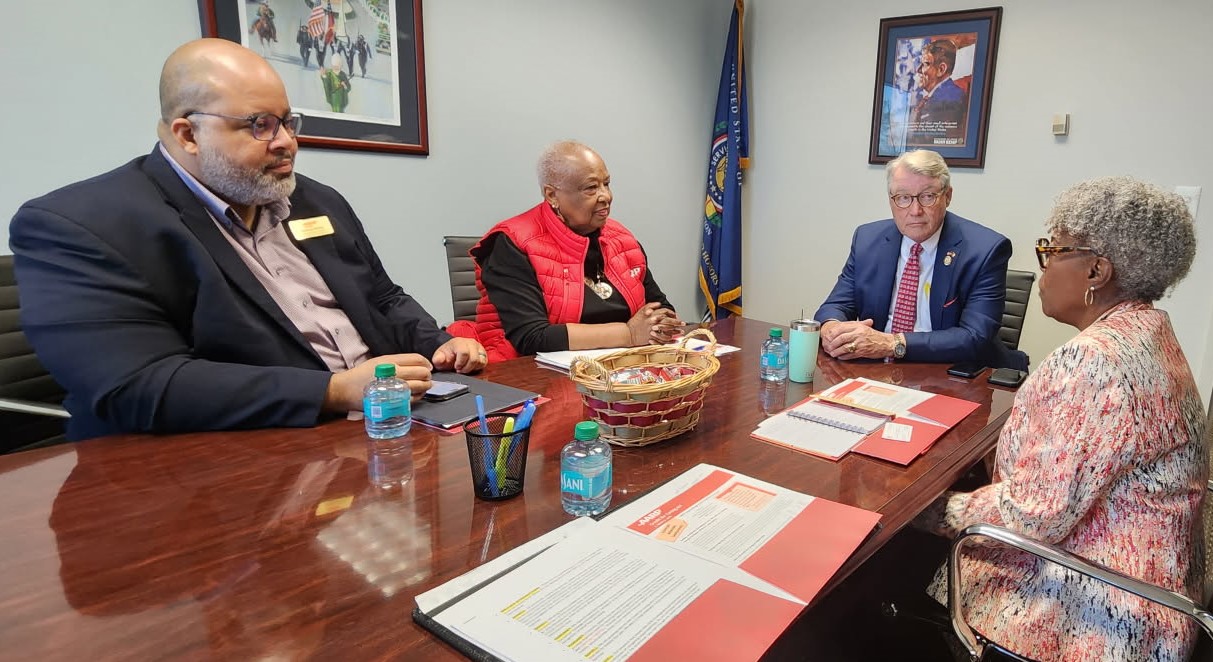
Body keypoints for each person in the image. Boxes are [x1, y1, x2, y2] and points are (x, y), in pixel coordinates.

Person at [7, 38, 486, 441]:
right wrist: (335, 391)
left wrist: (440, 342)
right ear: (188, 134)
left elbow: (381, 296)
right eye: (259, 125)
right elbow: (137, 386)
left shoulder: (315, 201)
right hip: (227, 464)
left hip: (387, 430)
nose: (286, 142)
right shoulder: (79, 225)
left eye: (287, 121)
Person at [913, 176, 1206, 661]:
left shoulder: (1095, 360)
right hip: (1160, 586)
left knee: (898, 555)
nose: (1041, 270)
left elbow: (1035, 516)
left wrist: (928, 509)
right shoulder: (1149, 332)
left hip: (1100, 612)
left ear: (1096, 271)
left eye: (1052, 251)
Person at [451, 141, 681, 362]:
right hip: (529, 374)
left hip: (619, 369)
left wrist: (660, 324)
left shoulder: (621, 237)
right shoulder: (512, 243)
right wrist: (628, 334)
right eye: (591, 188)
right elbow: (531, 337)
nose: (606, 196)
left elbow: (660, 306)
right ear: (552, 195)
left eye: (607, 184)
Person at [814, 149, 1021, 369]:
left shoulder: (985, 250)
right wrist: (831, 329)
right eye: (903, 198)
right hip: (878, 370)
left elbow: (974, 337)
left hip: (950, 375)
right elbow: (835, 305)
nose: (915, 210)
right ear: (891, 201)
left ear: (948, 196)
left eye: (927, 196)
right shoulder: (867, 239)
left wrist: (891, 343)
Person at [909, 39, 968, 144]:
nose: (919, 70)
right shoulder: (928, 99)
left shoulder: (952, 98)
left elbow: (926, 141)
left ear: (941, 69)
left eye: (926, 64)